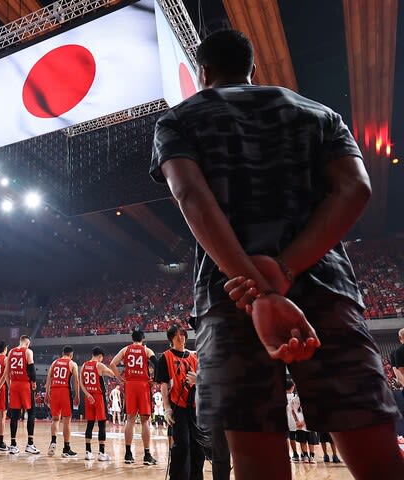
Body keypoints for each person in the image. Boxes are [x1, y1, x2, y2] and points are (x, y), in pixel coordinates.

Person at [150, 28, 403, 480]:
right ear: (252, 71)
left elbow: (190, 194)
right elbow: (356, 188)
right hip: (325, 287)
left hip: (232, 296)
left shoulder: (180, 120)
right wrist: (283, 269)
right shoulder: (319, 113)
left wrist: (255, 285)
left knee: (253, 454)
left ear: (202, 72)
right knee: (371, 440)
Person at [155, 324, 204, 480]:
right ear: (171, 338)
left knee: (198, 446)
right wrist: (167, 408)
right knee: (182, 445)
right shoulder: (166, 357)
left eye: (183, 333)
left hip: (195, 407)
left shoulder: (194, 356)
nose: (181, 336)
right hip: (178, 407)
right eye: (177, 334)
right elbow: (163, 384)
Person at [110, 329, 157, 465]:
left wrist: (119, 378)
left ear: (132, 338)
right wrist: (155, 379)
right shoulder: (147, 350)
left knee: (130, 419)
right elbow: (157, 363)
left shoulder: (125, 350)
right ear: (143, 339)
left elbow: (113, 363)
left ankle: (128, 454)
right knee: (145, 421)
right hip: (143, 385)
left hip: (130, 385)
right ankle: (147, 454)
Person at [4, 335, 40, 454]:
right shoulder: (28, 351)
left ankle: (13, 445)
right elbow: (32, 369)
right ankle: (30, 444)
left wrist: (10, 387)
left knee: (14, 415)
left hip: (14, 384)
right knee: (31, 413)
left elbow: (7, 373)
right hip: (25, 385)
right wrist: (34, 382)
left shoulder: (11, 352)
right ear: (27, 343)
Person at [81, 346, 117, 461]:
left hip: (88, 397)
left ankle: (88, 452)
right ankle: (101, 453)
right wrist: (107, 369)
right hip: (98, 396)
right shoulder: (99, 365)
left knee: (89, 424)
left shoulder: (84, 365)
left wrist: (87, 394)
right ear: (100, 356)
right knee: (102, 424)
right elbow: (112, 374)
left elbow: (81, 383)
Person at [44, 345, 80, 458]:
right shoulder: (72, 363)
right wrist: (77, 395)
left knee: (55, 419)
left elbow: (48, 377)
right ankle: (66, 448)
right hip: (64, 391)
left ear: (62, 353)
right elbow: (76, 381)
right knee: (66, 421)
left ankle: (53, 441)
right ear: (71, 354)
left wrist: (47, 392)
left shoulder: (54, 363)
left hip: (54, 391)